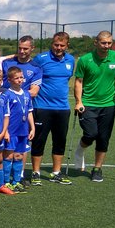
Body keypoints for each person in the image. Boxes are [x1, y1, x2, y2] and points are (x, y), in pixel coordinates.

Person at [73, 31, 115, 183]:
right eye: (104, 43)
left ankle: (97, 169)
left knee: (103, 138)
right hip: (88, 104)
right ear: (96, 43)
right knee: (91, 134)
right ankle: (80, 150)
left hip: (108, 105)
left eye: (109, 43)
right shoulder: (85, 59)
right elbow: (78, 81)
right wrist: (78, 101)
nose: (106, 46)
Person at [30, 32, 76, 185]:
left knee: (60, 141)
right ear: (52, 44)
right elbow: (30, 75)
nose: (59, 48)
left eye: (62, 45)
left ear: (67, 46)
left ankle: (56, 172)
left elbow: (67, 78)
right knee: (39, 140)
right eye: (56, 45)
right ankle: (35, 173)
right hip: (42, 107)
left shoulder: (70, 60)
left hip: (63, 108)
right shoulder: (41, 59)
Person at [2, 67, 36, 193]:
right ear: (9, 80)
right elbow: (4, 115)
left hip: (23, 130)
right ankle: (6, 182)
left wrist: (32, 128)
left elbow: (29, 112)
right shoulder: (6, 95)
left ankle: (16, 181)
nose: (20, 80)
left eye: (21, 77)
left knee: (19, 156)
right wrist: (5, 131)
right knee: (9, 156)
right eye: (16, 78)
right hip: (11, 131)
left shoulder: (26, 94)